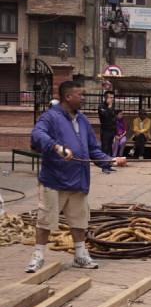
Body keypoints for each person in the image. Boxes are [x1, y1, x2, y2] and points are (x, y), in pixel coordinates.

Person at [27, 80, 128, 272]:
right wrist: (57, 148)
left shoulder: (82, 120)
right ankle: (37, 256)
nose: (83, 98)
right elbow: (37, 134)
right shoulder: (51, 117)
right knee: (46, 219)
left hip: (78, 179)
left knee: (79, 221)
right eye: (80, 95)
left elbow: (93, 149)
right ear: (67, 97)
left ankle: (80, 255)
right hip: (54, 180)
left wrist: (110, 161)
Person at [98, 91, 116, 165]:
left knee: (109, 148)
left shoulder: (112, 107)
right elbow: (104, 115)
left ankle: (108, 165)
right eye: (110, 98)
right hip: (105, 131)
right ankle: (104, 165)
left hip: (111, 130)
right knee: (104, 149)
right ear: (106, 98)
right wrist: (109, 107)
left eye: (113, 98)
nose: (112, 99)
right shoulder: (101, 107)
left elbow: (113, 119)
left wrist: (115, 132)